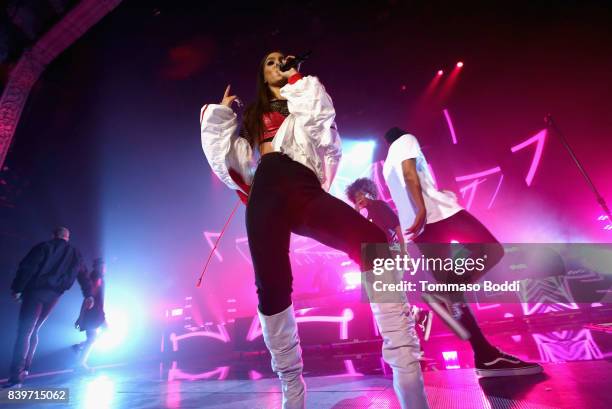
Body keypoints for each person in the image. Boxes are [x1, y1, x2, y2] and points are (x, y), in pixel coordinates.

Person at [201, 53, 429, 408]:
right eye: (270, 62)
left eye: (281, 60)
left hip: (300, 182)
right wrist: (221, 114)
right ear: (261, 74)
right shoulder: (251, 116)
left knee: (372, 244)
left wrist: (296, 82)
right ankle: (292, 388)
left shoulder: (301, 95)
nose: (278, 64)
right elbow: (225, 160)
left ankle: (405, 364)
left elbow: (323, 122)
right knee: (271, 286)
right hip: (266, 188)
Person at [382, 126, 543, 377]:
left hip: (419, 227)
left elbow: (411, 183)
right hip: (437, 216)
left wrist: (430, 198)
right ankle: (444, 293)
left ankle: (485, 356)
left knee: (454, 292)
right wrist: (424, 207)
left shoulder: (386, 165)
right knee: (491, 250)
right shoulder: (407, 140)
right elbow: (410, 175)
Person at [345, 177, 433, 340]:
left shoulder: (379, 206)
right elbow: (356, 227)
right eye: (355, 197)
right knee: (390, 299)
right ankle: (417, 317)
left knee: (391, 297)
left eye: (360, 194)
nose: (358, 199)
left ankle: (416, 322)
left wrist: (403, 251)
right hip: (379, 257)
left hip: (391, 253)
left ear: (369, 192)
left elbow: (396, 226)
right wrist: (356, 210)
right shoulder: (367, 215)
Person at [5, 227, 93, 388]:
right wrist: (88, 295)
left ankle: (15, 379)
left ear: (53, 235)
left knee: (25, 332)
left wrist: (17, 288)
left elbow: (28, 267)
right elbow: (84, 275)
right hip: (54, 296)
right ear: (67, 237)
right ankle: (25, 370)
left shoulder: (44, 247)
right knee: (35, 330)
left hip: (35, 293)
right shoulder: (75, 253)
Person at [73, 258, 107, 370]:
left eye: (104, 266)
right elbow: (88, 299)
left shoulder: (99, 278)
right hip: (93, 314)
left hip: (97, 313)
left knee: (100, 333)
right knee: (93, 338)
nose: (104, 269)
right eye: (102, 266)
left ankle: (80, 347)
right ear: (97, 267)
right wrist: (81, 316)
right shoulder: (96, 278)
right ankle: (80, 363)